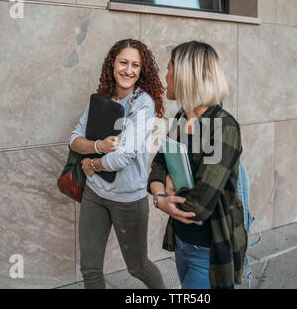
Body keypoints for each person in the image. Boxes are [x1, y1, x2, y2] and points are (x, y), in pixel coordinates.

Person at [148, 41, 247, 289]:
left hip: (209, 250)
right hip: (181, 243)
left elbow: (199, 206)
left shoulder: (224, 127)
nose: (165, 75)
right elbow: (158, 165)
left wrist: (167, 194)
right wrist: (161, 194)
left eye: (170, 67)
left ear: (185, 75)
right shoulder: (182, 118)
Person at [70, 39, 166, 289]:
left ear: (142, 70)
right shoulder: (101, 98)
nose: (128, 70)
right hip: (95, 194)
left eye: (135, 65)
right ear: (112, 64)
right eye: (123, 62)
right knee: (89, 269)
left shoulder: (143, 103)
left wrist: (92, 165)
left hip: (128, 199)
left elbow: (124, 155)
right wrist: (98, 147)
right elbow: (74, 140)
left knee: (138, 267)